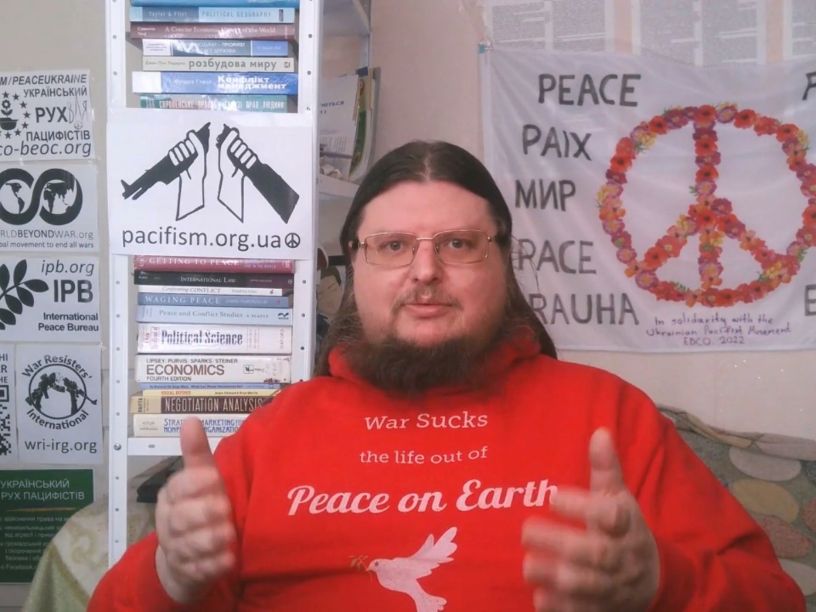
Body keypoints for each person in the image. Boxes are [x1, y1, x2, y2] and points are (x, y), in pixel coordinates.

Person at [89, 140, 804, 611]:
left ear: (504, 263)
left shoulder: (607, 416)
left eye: (459, 243)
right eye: (393, 245)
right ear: (353, 268)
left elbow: (772, 597)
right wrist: (170, 581)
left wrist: (659, 585)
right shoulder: (277, 432)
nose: (424, 271)